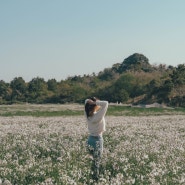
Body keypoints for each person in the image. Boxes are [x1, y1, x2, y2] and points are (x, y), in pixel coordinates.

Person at [84, 97, 108, 180]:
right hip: (97, 140)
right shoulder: (97, 116)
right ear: (94, 106)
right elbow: (106, 103)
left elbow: (86, 101)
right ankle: (96, 179)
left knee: (91, 161)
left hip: (90, 139)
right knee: (96, 162)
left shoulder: (87, 114)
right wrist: (95, 102)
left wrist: (91, 103)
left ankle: (90, 177)